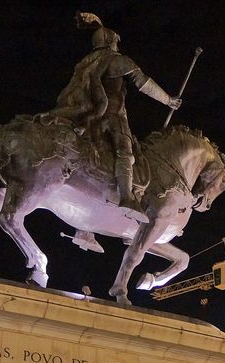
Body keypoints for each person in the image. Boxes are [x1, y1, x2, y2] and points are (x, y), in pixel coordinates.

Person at [53, 12, 182, 224]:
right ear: (112, 41)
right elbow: (143, 83)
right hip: (113, 117)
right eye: (115, 41)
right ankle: (127, 197)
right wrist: (168, 100)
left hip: (87, 117)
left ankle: (84, 228)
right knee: (125, 152)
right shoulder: (116, 60)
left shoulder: (85, 64)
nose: (117, 45)